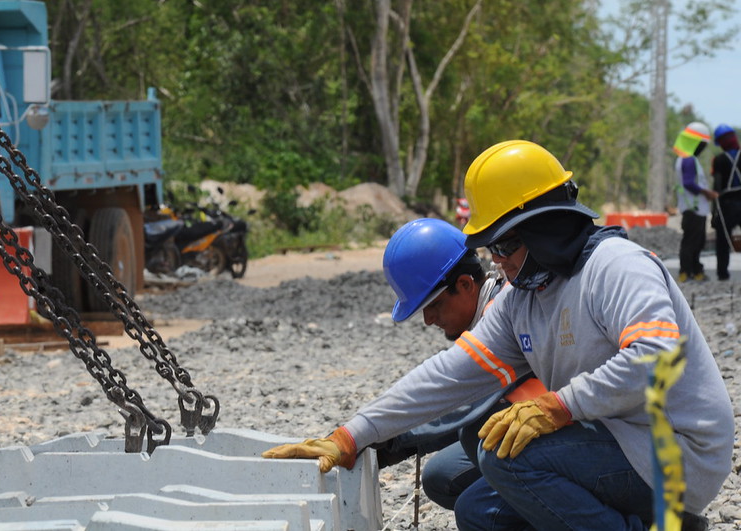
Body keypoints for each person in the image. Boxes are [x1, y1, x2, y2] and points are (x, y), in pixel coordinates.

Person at [263, 140, 733, 531]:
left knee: (502, 454)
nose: (498, 262)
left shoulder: (616, 267)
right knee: (476, 510)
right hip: (618, 441)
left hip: (678, 453)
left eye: (505, 245)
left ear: (545, 226)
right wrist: (349, 436)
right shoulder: (523, 298)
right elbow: (448, 375)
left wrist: (560, 405)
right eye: (492, 249)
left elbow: (657, 357)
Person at [375, 217, 543, 510]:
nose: (427, 320)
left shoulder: (502, 313)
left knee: (474, 432)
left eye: (433, 306)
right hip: (532, 429)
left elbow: (464, 403)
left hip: (567, 427)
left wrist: (390, 439)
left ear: (465, 285)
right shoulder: (490, 302)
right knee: (442, 476)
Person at [674, 121, 719, 282]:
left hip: (692, 207)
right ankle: (687, 272)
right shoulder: (688, 160)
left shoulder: (683, 159)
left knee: (695, 241)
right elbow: (688, 183)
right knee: (693, 242)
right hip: (694, 208)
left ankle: (692, 271)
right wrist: (708, 193)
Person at [711, 123, 741, 281]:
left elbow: (716, 188)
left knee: (723, 241)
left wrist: (713, 213)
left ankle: (722, 274)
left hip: (726, 205)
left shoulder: (719, 160)